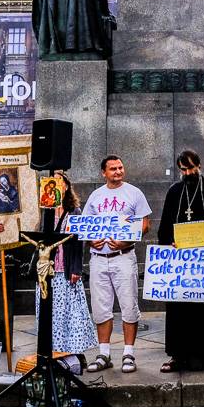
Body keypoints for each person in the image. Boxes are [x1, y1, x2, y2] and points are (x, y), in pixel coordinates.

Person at [156, 150, 204, 373]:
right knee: (180, 308)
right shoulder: (175, 191)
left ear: (199, 165)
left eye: (191, 168)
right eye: (183, 169)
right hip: (182, 262)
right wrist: (169, 243)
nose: (187, 173)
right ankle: (178, 355)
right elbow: (165, 226)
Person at [83, 156, 151, 375]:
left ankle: (128, 353)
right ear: (104, 172)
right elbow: (86, 225)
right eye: (113, 169)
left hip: (123, 256)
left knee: (129, 305)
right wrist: (90, 238)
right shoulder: (96, 195)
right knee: (101, 306)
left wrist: (126, 240)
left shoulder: (134, 193)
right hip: (99, 258)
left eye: (120, 167)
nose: (118, 171)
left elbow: (144, 225)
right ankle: (104, 353)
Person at [37, 172, 95, 360]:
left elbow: (79, 243)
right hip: (48, 269)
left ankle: (73, 351)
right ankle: (53, 350)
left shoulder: (74, 211)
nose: (57, 184)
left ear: (67, 186)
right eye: (53, 181)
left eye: (61, 181)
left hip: (66, 268)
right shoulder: (45, 210)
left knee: (71, 313)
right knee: (50, 312)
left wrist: (77, 269)